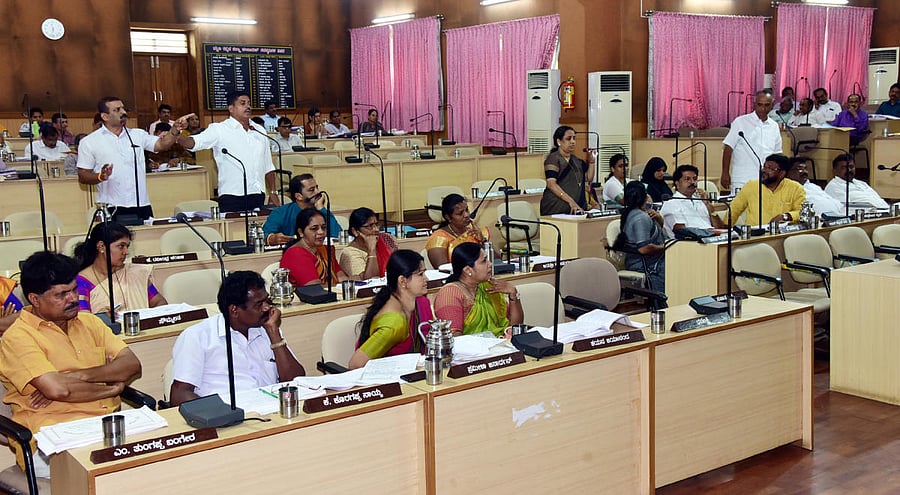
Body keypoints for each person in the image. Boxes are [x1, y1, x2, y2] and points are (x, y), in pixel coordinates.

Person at [0, 251, 141, 478]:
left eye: (74, 290)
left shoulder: (88, 321)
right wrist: (112, 388)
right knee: (117, 472)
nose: (73, 298)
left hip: (106, 425)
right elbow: (59, 390)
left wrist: (77, 376)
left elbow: (132, 364)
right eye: (62, 294)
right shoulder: (18, 337)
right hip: (52, 438)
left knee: (161, 454)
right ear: (35, 299)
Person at [169, 271, 305, 406]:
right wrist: (222, 413)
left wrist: (274, 335)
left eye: (267, 300)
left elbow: (296, 381)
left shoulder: (268, 328)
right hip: (228, 417)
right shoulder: (197, 337)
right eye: (259, 305)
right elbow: (180, 395)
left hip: (272, 410)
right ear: (234, 310)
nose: (267, 307)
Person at [77, 96, 182, 222]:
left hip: (141, 204)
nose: (123, 112)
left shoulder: (137, 135)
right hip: (111, 207)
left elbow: (162, 144)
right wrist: (101, 176)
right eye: (117, 110)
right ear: (105, 116)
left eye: (123, 108)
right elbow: (83, 175)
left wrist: (174, 129)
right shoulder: (90, 142)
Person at [176, 91, 281, 213]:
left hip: (258, 194)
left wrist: (273, 192)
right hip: (232, 196)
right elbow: (195, 142)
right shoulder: (219, 129)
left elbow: (268, 165)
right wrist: (176, 136)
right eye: (242, 103)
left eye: (249, 103)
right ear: (231, 108)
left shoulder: (259, 130)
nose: (248, 107)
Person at [347, 250, 433, 369]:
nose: (426, 279)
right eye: (420, 274)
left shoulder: (421, 303)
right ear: (402, 281)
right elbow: (355, 365)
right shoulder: (393, 323)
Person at [74, 222, 167, 314]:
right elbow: (84, 320)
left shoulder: (135, 273)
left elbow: (159, 302)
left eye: (127, 246)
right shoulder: (82, 281)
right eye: (121, 246)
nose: (126, 252)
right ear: (101, 246)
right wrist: (104, 318)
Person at [433, 242, 523, 337]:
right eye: (484, 261)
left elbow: (515, 328)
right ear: (468, 270)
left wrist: (513, 293)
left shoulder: (488, 286)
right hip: (473, 350)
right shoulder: (450, 293)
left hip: (502, 345)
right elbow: (454, 338)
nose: (490, 264)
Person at [722, 91, 783, 192]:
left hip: (766, 180)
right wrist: (725, 173)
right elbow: (728, 148)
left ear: (772, 106)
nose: (763, 108)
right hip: (743, 179)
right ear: (754, 104)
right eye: (759, 104)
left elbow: (777, 154)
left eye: (767, 105)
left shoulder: (774, 126)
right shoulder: (740, 122)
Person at [613, 181, 667, 292]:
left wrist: (658, 218)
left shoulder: (634, 213)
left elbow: (657, 233)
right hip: (646, 264)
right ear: (645, 196)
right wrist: (666, 247)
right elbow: (644, 248)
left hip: (648, 260)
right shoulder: (641, 217)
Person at [262, 173, 342, 245]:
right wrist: (271, 238)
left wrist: (321, 208)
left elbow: (337, 236)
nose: (318, 192)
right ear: (298, 196)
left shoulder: (321, 211)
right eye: (311, 190)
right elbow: (266, 234)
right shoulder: (281, 213)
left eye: (317, 188)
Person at [728, 154, 806, 226]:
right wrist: (725, 229)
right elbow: (734, 209)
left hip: (782, 235)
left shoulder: (795, 188)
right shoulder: (751, 186)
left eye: (770, 168)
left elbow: (802, 212)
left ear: (781, 173)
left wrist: (786, 216)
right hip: (755, 236)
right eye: (764, 167)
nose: (764, 170)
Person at [280, 208, 347, 286]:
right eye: (314, 229)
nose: (321, 232)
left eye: (324, 227)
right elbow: (314, 287)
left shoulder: (325, 250)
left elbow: (342, 279)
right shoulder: (296, 254)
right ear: (301, 232)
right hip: (307, 297)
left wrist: (362, 277)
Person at [539, 125, 595, 215]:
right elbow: (551, 184)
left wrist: (592, 162)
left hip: (574, 208)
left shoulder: (577, 161)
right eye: (569, 139)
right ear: (559, 141)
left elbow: (588, 178)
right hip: (555, 206)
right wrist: (570, 201)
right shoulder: (553, 159)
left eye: (574, 138)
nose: (572, 142)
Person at [425, 193, 489, 268]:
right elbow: (443, 271)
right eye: (460, 213)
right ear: (448, 217)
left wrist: (483, 241)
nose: (466, 215)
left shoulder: (473, 233)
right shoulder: (438, 238)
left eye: (467, 210)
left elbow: (495, 262)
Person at [660, 164, 725, 237]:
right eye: (687, 179)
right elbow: (683, 232)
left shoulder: (700, 201)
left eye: (694, 179)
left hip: (710, 239)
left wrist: (708, 206)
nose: (692, 182)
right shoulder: (672, 204)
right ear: (677, 183)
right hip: (689, 244)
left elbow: (720, 227)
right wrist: (710, 233)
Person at [339, 207, 399, 280]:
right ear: (355, 231)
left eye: (376, 224)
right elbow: (369, 280)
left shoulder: (387, 239)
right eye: (369, 226)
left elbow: (400, 266)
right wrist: (372, 250)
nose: (376, 229)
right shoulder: (350, 253)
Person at [824, 154, 889, 211]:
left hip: (885, 211)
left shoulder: (861, 183)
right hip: (866, 217)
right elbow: (845, 209)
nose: (849, 170)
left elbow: (877, 199)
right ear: (834, 171)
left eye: (851, 167)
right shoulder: (834, 186)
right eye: (844, 167)